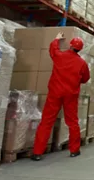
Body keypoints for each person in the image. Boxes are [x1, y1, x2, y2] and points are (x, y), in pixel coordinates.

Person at [32, 32, 90, 161]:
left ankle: (37, 152)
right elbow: (86, 78)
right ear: (80, 49)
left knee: (46, 121)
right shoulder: (82, 63)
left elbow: (53, 50)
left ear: (70, 45)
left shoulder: (60, 56)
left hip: (55, 93)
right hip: (71, 95)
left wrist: (56, 39)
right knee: (72, 122)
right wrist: (75, 79)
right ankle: (74, 150)